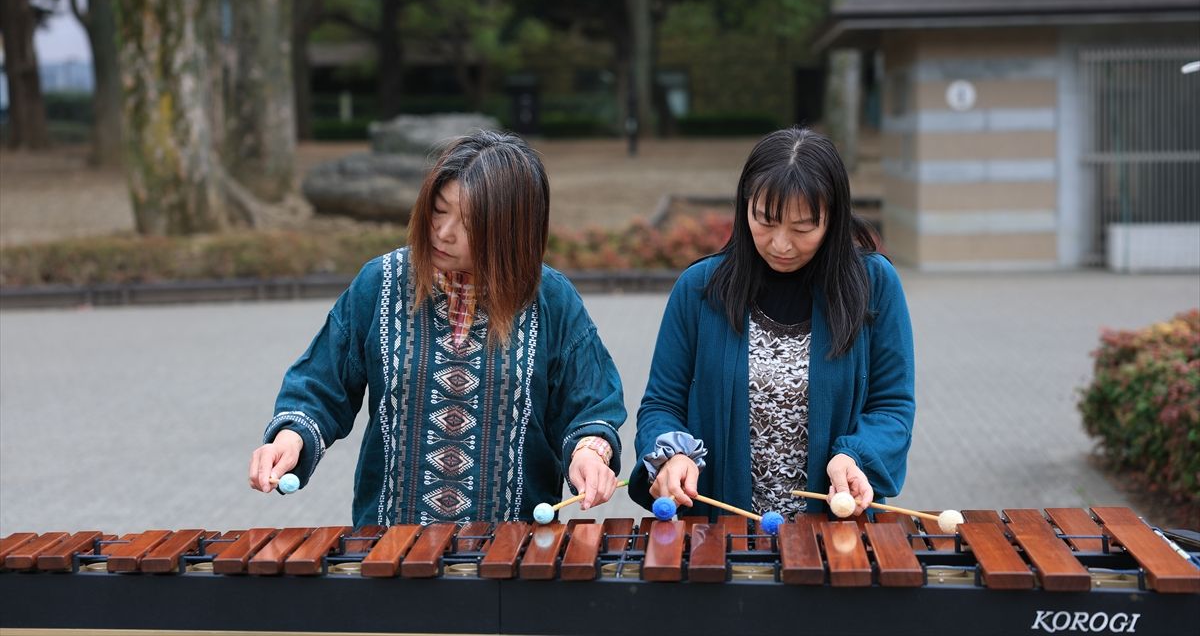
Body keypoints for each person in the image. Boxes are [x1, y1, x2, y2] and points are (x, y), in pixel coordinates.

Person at [249, 130, 626, 526]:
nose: (443, 233)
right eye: (439, 210)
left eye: (468, 223)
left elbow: (591, 404)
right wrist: (290, 438)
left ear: (510, 230)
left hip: (514, 549)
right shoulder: (379, 284)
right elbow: (321, 385)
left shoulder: (551, 299)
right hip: (390, 545)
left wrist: (589, 452)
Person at [629, 127, 915, 520]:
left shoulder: (874, 284)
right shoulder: (699, 288)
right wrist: (672, 455)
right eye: (765, 220)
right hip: (720, 532)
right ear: (744, 205)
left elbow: (892, 406)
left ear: (833, 220)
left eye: (803, 228)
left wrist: (855, 457)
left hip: (835, 530)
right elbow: (661, 404)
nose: (781, 244)